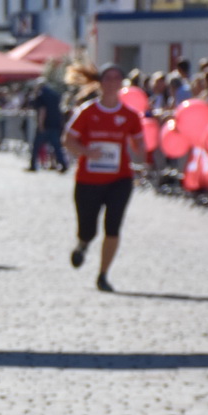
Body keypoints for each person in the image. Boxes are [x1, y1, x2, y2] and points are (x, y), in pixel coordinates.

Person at [63, 65, 143, 293]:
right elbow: (68, 140)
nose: (112, 82)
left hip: (119, 179)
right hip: (88, 180)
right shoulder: (87, 111)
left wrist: (141, 149)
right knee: (88, 229)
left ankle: (103, 274)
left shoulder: (129, 115)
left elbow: (140, 145)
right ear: (100, 82)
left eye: (117, 78)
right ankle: (82, 244)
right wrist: (88, 153)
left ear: (122, 84)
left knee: (113, 226)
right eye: (108, 78)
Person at [28, 80, 67, 172]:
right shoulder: (55, 94)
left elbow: (42, 110)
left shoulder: (41, 95)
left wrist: (40, 124)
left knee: (36, 146)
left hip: (45, 124)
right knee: (57, 146)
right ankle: (63, 164)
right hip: (55, 123)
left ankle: (33, 165)